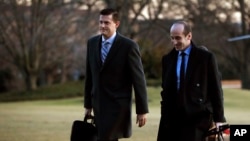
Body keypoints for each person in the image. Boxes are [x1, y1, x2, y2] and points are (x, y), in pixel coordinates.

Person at [84, 8, 149, 141]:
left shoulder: (129, 46)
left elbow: (138, 80)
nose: (102, 26)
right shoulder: (92, 43)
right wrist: (88, 105)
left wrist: (142, 110)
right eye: (101, 22)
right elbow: (89, 76)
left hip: (118, 107)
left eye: (107, 23)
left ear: (116, 24)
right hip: (98, 105)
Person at [157, 20, 226, 141]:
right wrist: (164, 114)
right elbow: (165, 91)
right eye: (172, 38)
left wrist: (219, 119)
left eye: (178, 38)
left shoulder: (206, 58)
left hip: (198, 117)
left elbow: (216, 89)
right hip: (171, 118)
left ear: (189, 36)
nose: (174, 42)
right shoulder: (167, 59)